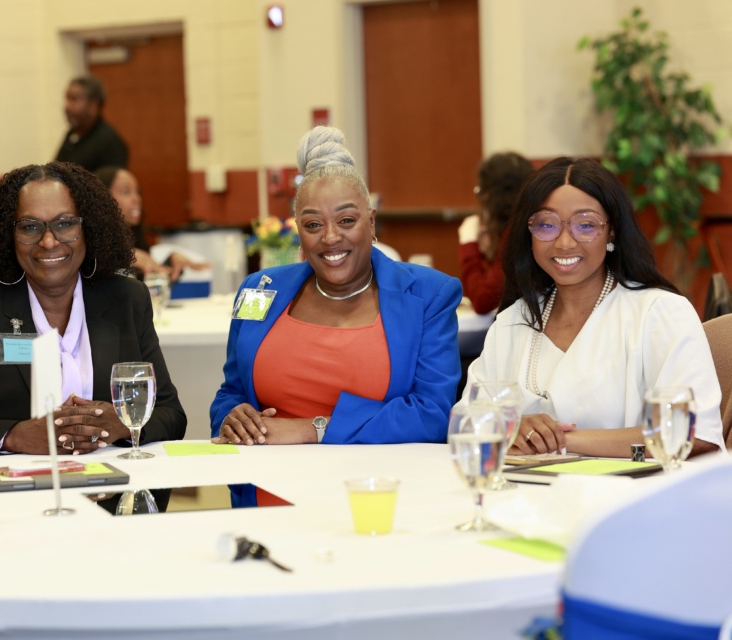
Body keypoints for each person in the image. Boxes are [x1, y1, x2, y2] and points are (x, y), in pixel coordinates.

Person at [210, 126, 462, 445]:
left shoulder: (428, 295)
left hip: (377, 484)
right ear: (299, 231)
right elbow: (231, 392)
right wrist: (233, 419)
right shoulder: (259, 289)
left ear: (370, 223)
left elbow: (433, 414)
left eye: (346, 221)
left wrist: (312, 429)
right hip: (266, 482)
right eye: (314, 224)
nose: (330, 237)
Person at [461, 157, 724, 457]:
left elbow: (692, 435)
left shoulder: (660, 313)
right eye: (546, 225)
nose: (563, 243)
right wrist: (509, 428)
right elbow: (468, 422)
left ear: (612, 232)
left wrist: (560, 441)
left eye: (585, 225)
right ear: (528, 233)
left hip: (631, 495)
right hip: (525, 498)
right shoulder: (512, 322)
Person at [0, 162, 186, 454]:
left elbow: (171, 415)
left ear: (88, 228)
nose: (49, 241)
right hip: (13, 493)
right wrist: (14, 436)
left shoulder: (126, 300)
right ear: (8, 235)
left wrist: (120, 424)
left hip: (112, 491)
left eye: (65, 223)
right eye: (30, 227)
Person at [94, 166, 210, 282]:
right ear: (102, 198)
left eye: (138, 192)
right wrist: (122, 257)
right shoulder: (92, 253)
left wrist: (170, 262)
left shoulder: (137, 248)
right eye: (126, 192)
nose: (136, 199)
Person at [458, 152, 534, 314]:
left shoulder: (516, 233)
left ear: (490, 195)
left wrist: (469, 243)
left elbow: (482, 300)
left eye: (480, 191)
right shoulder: (527, 224)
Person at [54, 75, 128, 172]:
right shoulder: (72, 135)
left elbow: (110, 183)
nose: (67, 107)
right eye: (67, 99)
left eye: (74, 99)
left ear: (94, 105)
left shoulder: (110, 142)